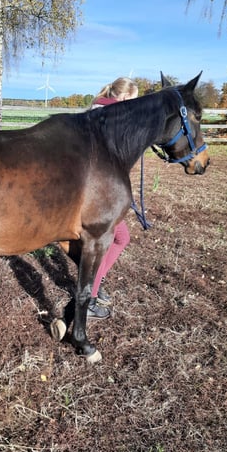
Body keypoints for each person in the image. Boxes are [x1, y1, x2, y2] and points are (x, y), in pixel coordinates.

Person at [88, 77, 139, 319]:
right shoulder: (108, 115)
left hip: (101, 187)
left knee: (120, 238)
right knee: (109, 242)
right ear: (124, 97)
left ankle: (96, 282)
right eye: (133, 100)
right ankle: (90, 296)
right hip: (101, 191)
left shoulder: (102, 111)